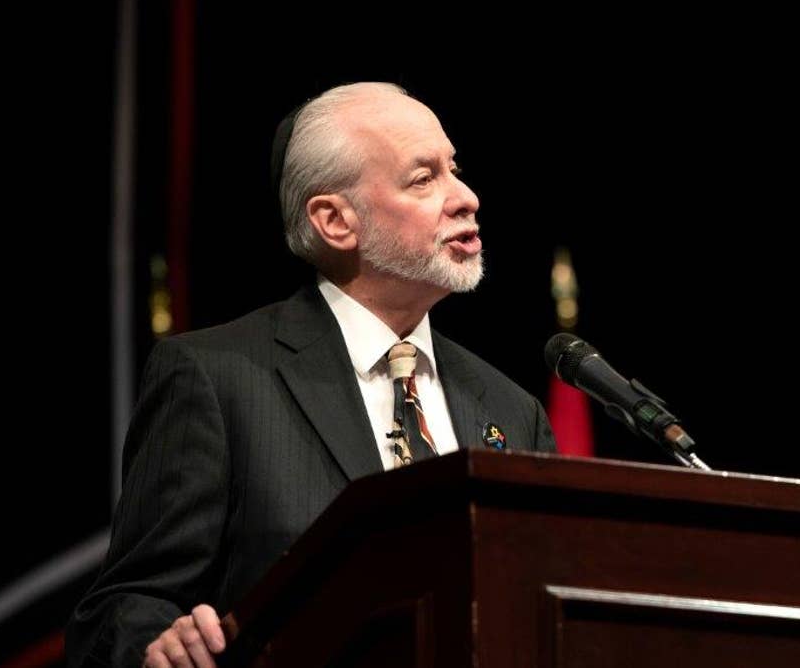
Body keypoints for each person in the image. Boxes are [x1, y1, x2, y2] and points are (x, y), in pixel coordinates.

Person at [66, 82, 557, 667]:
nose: (467, 198)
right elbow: (123, 607)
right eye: (423, 179)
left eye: (454, 169)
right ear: (334, 221)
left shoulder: (510, 408)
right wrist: (156, 647)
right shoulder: (219, 379)